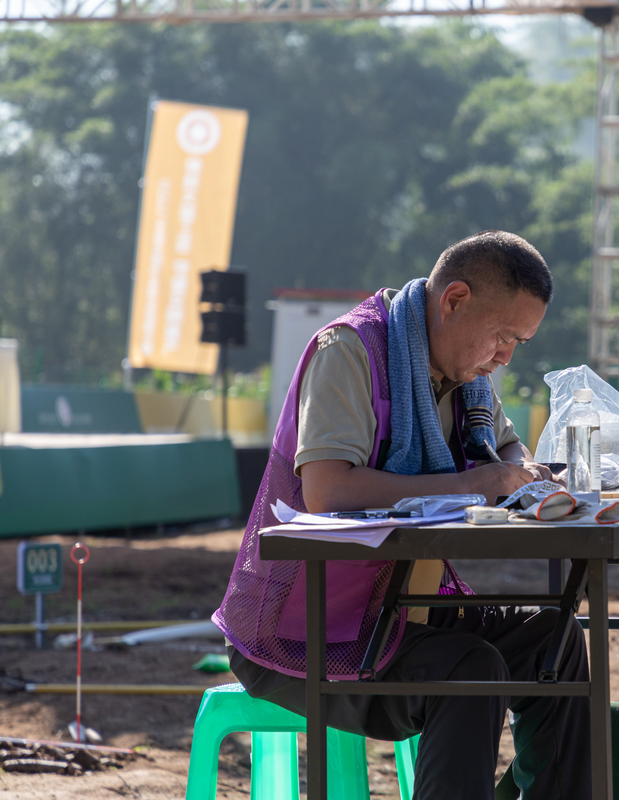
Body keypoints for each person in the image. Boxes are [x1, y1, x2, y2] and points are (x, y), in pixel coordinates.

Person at [213, 231, 590, 800]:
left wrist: (531, 477)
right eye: (503, 335)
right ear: (455, 300)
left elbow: (505, 451)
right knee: (471, 671)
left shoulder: (469, 379)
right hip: (307, 632)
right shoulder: (349, 350)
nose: (507, 355)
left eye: (520, 342)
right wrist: (470, 484)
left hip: (404, 611)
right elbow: (327, 491)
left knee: (555, 638)